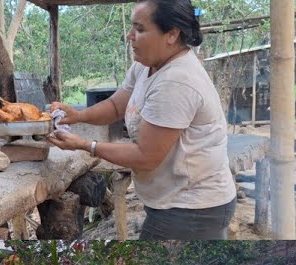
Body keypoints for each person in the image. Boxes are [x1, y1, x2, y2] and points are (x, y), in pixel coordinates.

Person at [45, 0, 234, 240]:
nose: (129, 35)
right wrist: (78, 115)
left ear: (172, 34)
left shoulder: (176, 81)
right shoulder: (146, 66)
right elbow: (115, 105)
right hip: (174, 201)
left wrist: (85, 145)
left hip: (193, 208)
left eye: (140, 29)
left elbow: (146, 157)